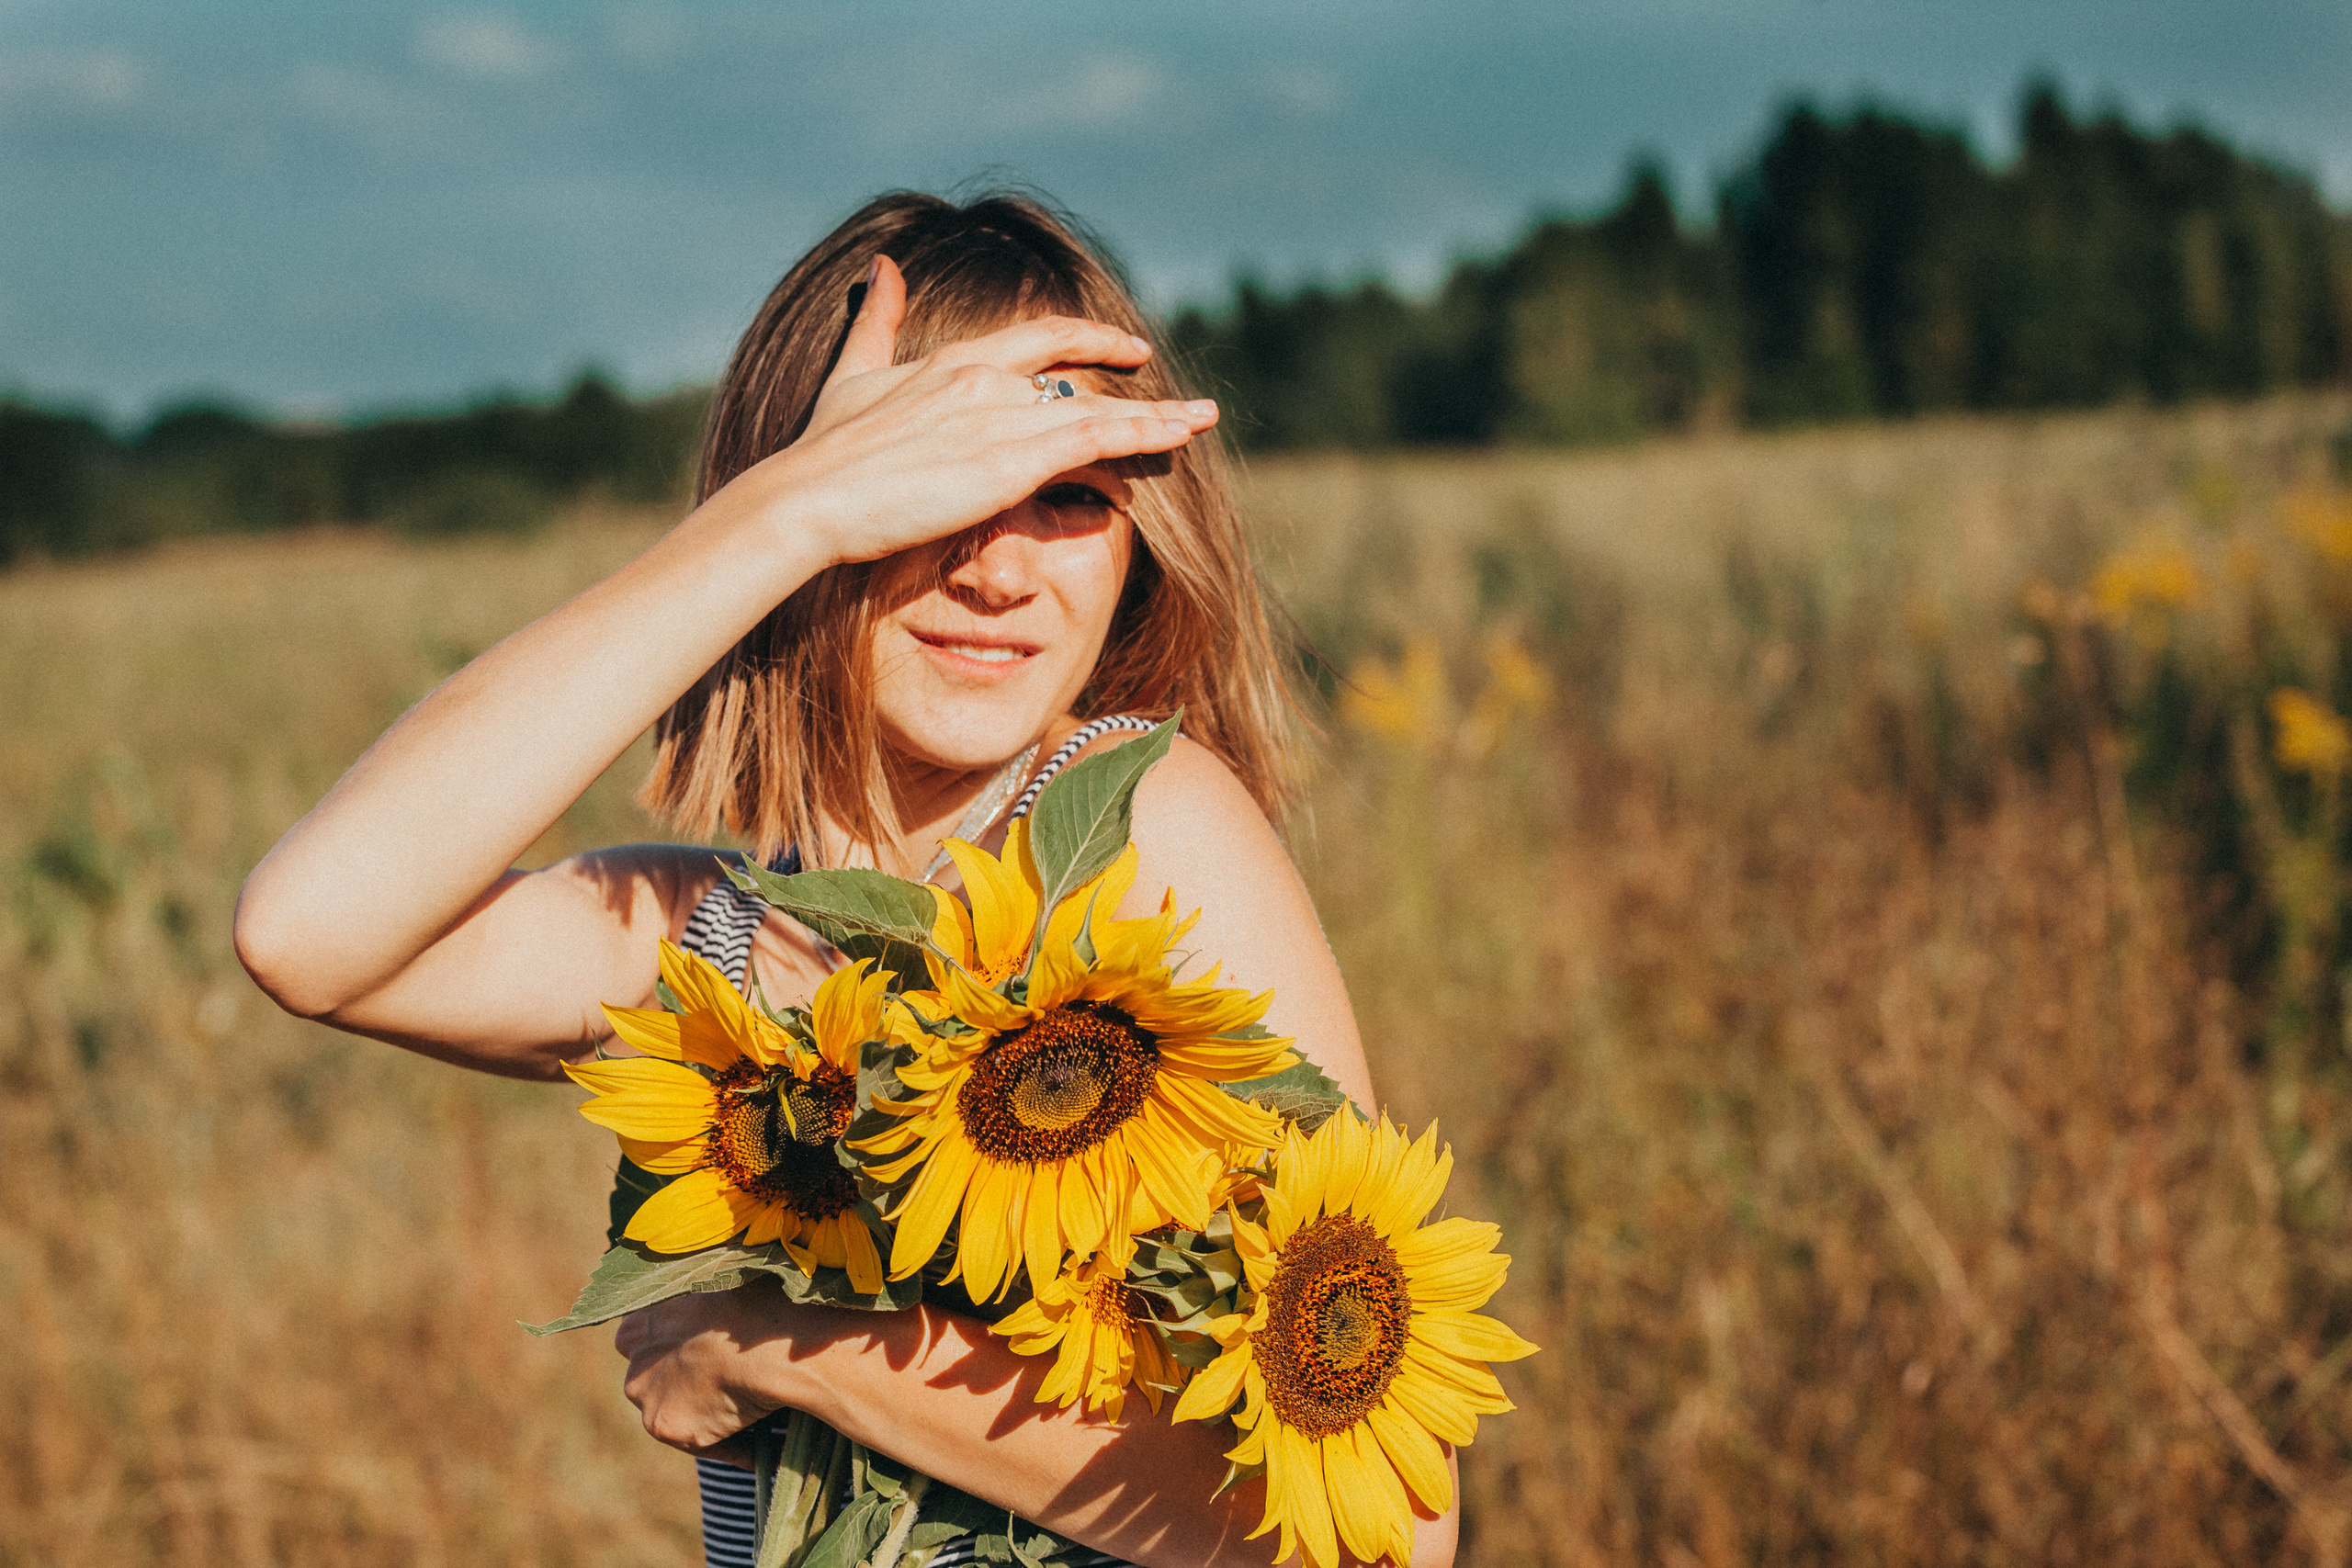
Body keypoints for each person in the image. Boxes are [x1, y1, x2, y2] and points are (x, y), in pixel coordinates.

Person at [234, 190, 1456, 1568]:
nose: (997, 568)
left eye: (1064, 492)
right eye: (930, 492)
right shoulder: (718, 947)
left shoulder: (1134, 837)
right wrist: (782, 518)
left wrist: (801, 1355)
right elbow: (310, 932)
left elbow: (1390, 1534)